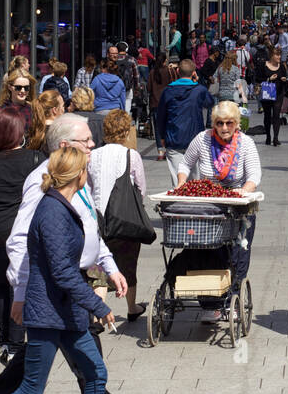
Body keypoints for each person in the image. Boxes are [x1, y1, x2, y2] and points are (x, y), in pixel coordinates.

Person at [9, 147, 115, 394]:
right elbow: (63, 272)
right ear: (79, 174)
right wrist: (99, 306)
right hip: (48, 313)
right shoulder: (53, 211)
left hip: (65, 312)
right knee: (31, 388)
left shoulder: (61, 205)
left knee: (96, 374)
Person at [171, 101, 262, 323]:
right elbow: (185, 164)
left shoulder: (246, 144)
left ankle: (234, 297)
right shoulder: (202, 139)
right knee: (206, 251)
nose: (223, 128)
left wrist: (243, 191)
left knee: (238, 255)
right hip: (208, 207)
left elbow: (254, 176)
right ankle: (210, 302)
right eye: (219, 123)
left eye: (229, 123)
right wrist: (182, 184)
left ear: (236, 124)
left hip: (238, 207)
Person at [0, 107, 45, 363]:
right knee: (20, 285)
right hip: (24, 231)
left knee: (3, 286)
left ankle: (4, 340)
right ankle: (15, 344)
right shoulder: (36, 159)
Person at [88, 109, 150, 322]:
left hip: (98, 219)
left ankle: (98, 315)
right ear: (126, 132)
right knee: (128, 263)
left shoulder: (93, 155)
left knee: (99, 270)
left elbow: (87, 187)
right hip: (124, 220)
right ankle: (132, 307)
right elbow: (141, 188)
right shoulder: (131, 155)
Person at [154, 59, 216, 187]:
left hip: (173, 137)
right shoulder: (199, 90)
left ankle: (178, 203)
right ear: (193, 73)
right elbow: (210, 103)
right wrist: (197, 82)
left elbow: (160, 117)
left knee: (178, 181)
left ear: (177, 71)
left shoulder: (167, 91)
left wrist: (161, 137)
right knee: (196, 181)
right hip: (195, 139)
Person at [258, 47, 288, 147]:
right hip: (267, 93)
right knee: (267, 116)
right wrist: (269, 78)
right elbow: (258, 78)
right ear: (271, 56)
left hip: (278, 93)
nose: (279, 57)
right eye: (277, 55)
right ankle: (268, 136)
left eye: (280, 55)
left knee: (276, 115)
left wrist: (284, 79)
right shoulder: (263, 65)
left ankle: (276, 138)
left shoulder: (282, 66)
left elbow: (285, 77)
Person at [0, 71, 35, 140]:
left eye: (26, 88)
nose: (23, 91)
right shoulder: (1, 111)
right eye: (18, 87)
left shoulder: (34, 109)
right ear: (10, 87)